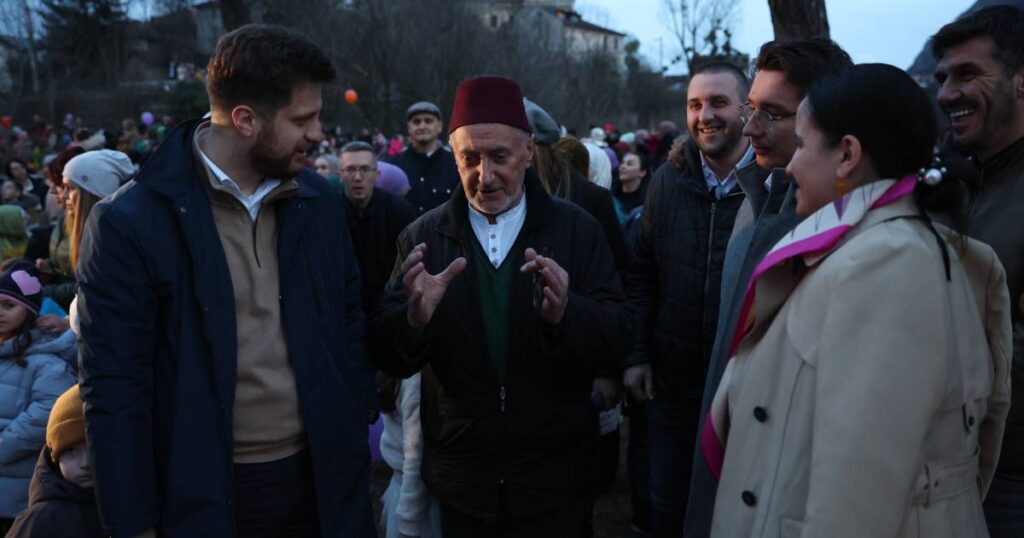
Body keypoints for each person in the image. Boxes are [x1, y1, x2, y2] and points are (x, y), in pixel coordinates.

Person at [76, 25, 375, 537]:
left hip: (324, 484)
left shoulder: (320, 203)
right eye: (302, 119)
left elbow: (346, 326)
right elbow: (115, 392)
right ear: (245, 120)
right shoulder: (130, 224)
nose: (319, 133)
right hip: (202, 496)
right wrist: (133, 525)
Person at [707, 62, 1011, 538]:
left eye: (804, 144)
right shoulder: (869, 247)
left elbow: (856, 497)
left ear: (847, 154)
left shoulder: (887, 261)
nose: (791, 164)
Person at [368, 76, 632, 537]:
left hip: (556, 477)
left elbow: (616, 335)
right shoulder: (424, 237)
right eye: (469, 158)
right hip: (463, 478)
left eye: (500, 157)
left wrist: (566, 314)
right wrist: (414, 320)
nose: (483, 176)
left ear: (529, 151)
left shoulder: (576, 230)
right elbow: (388, 352)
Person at [682, 39, 853, 537]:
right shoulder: (757, 197)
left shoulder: (844, 234)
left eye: (772, 114)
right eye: (751, 108)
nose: (749, 127)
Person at [620, 62, 752, 538]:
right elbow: (642, 275)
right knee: (667, 507)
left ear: (746, 107)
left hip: (743, 389)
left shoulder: (774, 187)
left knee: (733, 513)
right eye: (695, 104)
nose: (705, 116)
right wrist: (636, 356)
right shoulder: (666, 182)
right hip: (672, 385)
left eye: (718, 102)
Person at [930, 7, 1024, 536]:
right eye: (945, 77)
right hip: (944, 468)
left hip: (1010, 483)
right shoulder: (948, 184)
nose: (947, 93)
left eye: (968, 74)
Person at [0, 263, 77, 533]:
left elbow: (47, 412)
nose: (0, 313)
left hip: (14, 496)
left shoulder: (47, 361)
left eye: (9, 306)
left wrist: (4, 442)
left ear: (30, 311)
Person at [7, 385, 105, 538]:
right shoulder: (41, 520)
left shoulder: (134, 505)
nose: (85, 463)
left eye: (94, 448)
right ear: (55, 457)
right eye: (70, 450)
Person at [339, 141, 416, 314]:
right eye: (350, 169)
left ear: (377, 174)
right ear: (339, 175)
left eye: (365, 169)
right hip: (344, 310)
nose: (358, 177)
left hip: (392, 309)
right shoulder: (330, 213)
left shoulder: (400, 211)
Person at [378, 371, 441, 538]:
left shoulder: (414, 378)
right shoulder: (397, 367)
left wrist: (408, 524)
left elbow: (416, 454)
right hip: (401, 490)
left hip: (416, 502)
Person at [389, 102, 460, 215]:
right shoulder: (395, 166)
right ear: (409, 128)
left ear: (439, 126)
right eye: (416, 122)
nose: (422, 126)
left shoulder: (456, 165)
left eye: (428, 121)